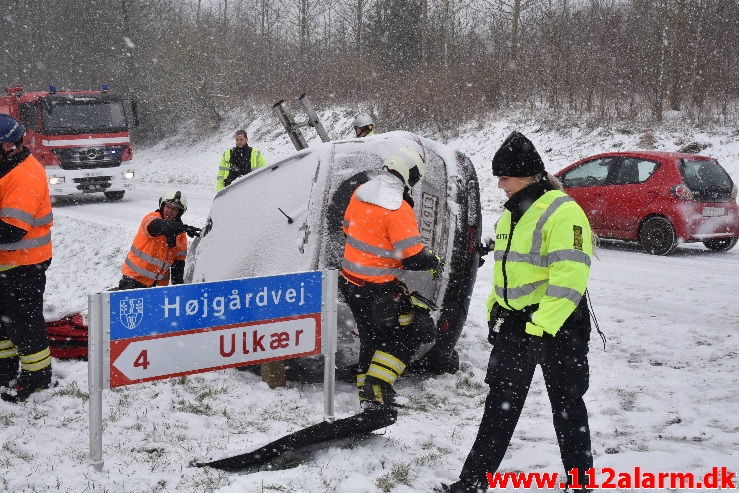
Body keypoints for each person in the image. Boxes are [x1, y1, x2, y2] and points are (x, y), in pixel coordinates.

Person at [443, 132, 594, 493]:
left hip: (559, 326)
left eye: (504, 178)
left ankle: (581, 484)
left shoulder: (563, 212)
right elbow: (507, 268)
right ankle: (473, 482)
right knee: (499, 405)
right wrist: (496, 307)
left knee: (568, 406)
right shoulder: (512, 214)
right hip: (517, 325)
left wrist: (541, 325)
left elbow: (570, 279)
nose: (499, 185)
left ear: (527, 175)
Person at [339, 147, 443, 412]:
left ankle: (368, 396)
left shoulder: (361, 192)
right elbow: (413, 257)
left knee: (370, 338)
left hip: (350, 282)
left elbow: (346, 228)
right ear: (409, 174)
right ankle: (378, 385)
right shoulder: (398, 208)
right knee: (408, 335)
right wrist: (433, 260)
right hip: (379, 289)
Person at [0, 114, 54, 402]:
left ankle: (36, 379)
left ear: (8, 146)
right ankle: (4, 370)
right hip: (8, 265)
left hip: (25, 264)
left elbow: (11, 229)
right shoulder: (7, 166)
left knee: (24, 322)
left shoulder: (25, 175)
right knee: (3, 321)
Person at [118, 190, 201, 290]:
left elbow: (178, 265)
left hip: (158, 287)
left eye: (175, 209)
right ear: (162, 206)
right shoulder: (151, 218)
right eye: (168, 207)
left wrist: (179, 289)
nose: (170, 211)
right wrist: (181, 227)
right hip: (133, 280)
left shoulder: (181, 234)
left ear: (179, 212)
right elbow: (158, 226)